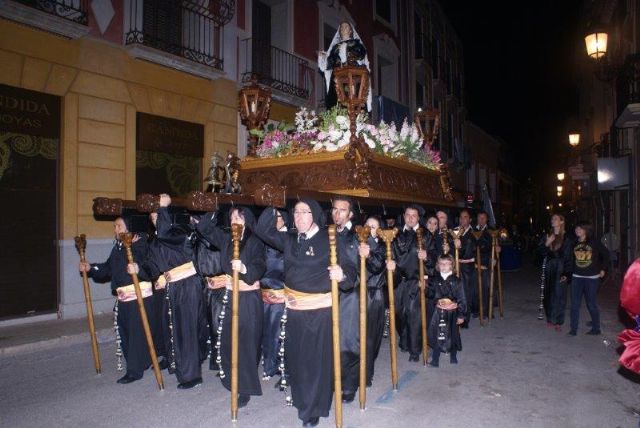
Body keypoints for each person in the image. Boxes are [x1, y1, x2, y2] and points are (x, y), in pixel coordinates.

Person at [255, 199, 357, 427]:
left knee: (315, 362)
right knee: (297, 360)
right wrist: (272, 204)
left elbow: (351, 272)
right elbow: (262, 230)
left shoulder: (329, 239)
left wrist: (342, 275)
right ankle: (304, 401)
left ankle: (313, 409)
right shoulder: (290, 239)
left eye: (304, 212)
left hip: (319, 313)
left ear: (315, 215)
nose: (298, 217)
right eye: (295, 212)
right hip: (293, 311)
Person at [198, 206, 266, 408]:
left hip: (248, 298)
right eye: (231, 217)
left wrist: (244, 268)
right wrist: (214, 207)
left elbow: (260, 265)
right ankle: (231, 378)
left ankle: (245, 387)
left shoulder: (255, 241)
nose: (234, 220)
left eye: (239, 216)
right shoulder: (226, 239)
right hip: (229, 296)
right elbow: (204, 228)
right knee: (228, 340)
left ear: (247, 219)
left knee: (246, 342)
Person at [140, 194, 207, 389]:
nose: (155, 219)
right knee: (174, 329)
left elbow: (166, 236)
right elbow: (153, 265)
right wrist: (140, 270)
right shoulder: (157, 240)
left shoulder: (179, 232)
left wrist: (163, 209)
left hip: (188, 285)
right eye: (152, 217)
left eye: (157, 215)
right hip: (173, 288)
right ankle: (180, 366)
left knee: (186, 330)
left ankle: (192, 375)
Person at [79, 217, 153, 384]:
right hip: (123, 299)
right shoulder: (118, 247)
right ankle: (143, 362)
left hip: (138, 298)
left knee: (135, 335)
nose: (115, 229)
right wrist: (91, 268)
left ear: (129, 228)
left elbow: (145, 267)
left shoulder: (140, 244)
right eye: (114, 226)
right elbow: (107, 268)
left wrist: (132, 250)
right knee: (125, 333)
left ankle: (134, 371)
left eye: (119, 226)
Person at [330, 196, 361, 403]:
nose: (337, 213)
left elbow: (371, 266)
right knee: (329, 342)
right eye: (334, 209)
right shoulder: (328, 233)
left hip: (350, 295)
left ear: (350, 214)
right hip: (328, 294)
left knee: (348, 344)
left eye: (342, 210)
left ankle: (349, 385)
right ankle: (333, 381)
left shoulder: (358, 235)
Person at [389, 205, 428, 362]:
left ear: (418, 217)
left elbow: (435, 254)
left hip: (415, 281)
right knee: (399, 313)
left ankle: (415, 349)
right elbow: (389, 251)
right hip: (399, 281)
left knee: (414, 315)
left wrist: (427, 257)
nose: (411, 218)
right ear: (403, 216)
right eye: (408, 215)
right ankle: (405, 339)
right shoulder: (395, 233)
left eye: (414, 215)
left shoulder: (425, 235)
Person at [259, 209, 288, 382]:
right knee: (266, 333)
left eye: (276, 217)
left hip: (281, 293)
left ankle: (282, 368)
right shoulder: (264, 239)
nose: (273, 220)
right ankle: (269, 366)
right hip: (264, 293)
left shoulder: (288, 237)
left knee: (280, 333)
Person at [357, 215, 387, 387]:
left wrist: (368, 253)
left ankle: (366, 373)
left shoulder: (383, 246)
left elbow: (376, 266)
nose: (368, 228)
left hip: (373, 296)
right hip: (355, 295)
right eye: (367, 225)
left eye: (373, 227)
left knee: (370, 338)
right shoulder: (356, 242)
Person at [568, 221, 610, 336]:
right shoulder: (574, 242)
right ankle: (573, 329)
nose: (577, 230)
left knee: (591, 303)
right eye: (576, 228)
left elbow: (606, 254)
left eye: (580, 228)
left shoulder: (594, 242)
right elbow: (571, 258)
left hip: (592, 278)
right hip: (577, 277)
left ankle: (596, 328)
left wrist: (603, 269)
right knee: (574, 304)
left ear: (586, 230)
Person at [318, 21, 371, 111]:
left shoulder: (356, 44)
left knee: (351, 101)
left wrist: (346, 49)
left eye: (346, 27)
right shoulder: (335, 48)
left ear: (350, 31)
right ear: (339, 32)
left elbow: (361, 56)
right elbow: (329, 64)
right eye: (341, 27)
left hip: (352, 77)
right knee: (336, 102)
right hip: (337, 78)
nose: (343, 29)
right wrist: (323, 57)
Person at [427, 255, 466, 367]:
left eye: (446, 263)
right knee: (437, 335)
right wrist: (425, 288)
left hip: (452, 313)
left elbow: (462, 298)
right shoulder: (434, 280)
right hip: (438, 313)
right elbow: (430, 295)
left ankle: (453, 355)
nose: (443, 266)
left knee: (453, 334)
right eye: (441, 263)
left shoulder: (457, 281)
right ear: (438, 265)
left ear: (452, 265)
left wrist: (461, 315)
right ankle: (435, 359)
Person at [537, 214, 573, 331]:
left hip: (561, 267)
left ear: (561, 222)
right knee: (549, 293)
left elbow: (568, 257)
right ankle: (550, 319)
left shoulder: (566, 237)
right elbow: (539, 252)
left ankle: (558, 320)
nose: (553, 220)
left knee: (560, 294)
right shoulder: (548, 235)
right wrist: (547, 243)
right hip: (549, 266)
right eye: (552, 218)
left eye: (556, 219)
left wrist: (566, 273)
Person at [453, 209, 476, 327]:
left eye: (465, 217)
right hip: (454, 266)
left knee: (466, 293)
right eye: (461, 217)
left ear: (470, 219)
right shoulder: (454, 231)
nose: (463, 219)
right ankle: (454, 316)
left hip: (467, 267)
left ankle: (465, 318)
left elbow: (474, 251)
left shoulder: (474, 233)